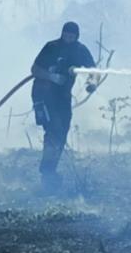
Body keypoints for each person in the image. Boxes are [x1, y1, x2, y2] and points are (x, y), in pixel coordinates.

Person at [31, 21, 98, 190]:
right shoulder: (51, 47)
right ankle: (47, 173)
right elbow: (34, 69)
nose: (68, 38)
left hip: (63, 98)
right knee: (53, 129)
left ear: (76, 36)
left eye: (72, 36)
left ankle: (50, 170)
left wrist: (91, 83)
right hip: (44, 95)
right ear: (62, 33)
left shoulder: (80, 50)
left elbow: (93, 71)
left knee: (62, 130)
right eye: (66, 35)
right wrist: (52, 77)